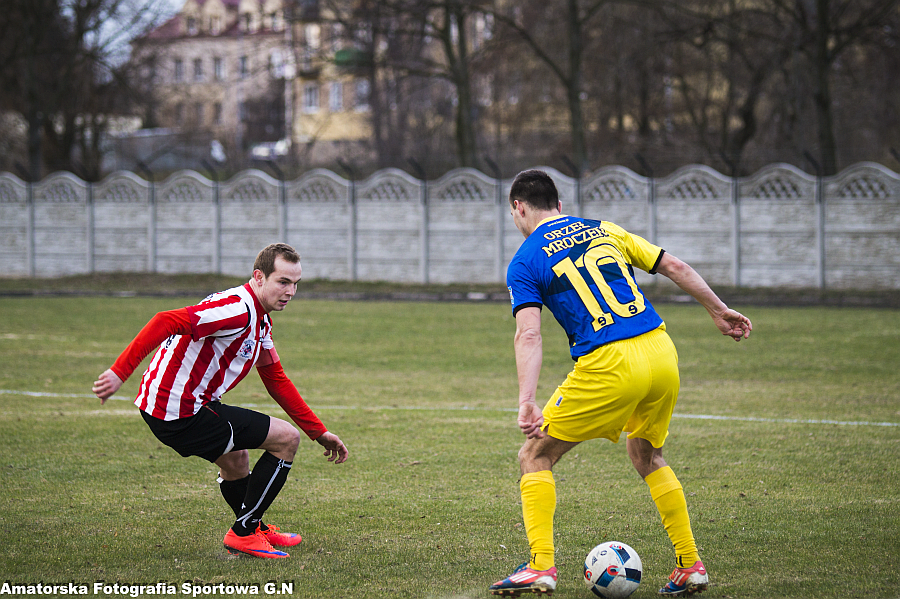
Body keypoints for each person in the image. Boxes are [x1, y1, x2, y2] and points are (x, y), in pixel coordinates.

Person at [489, 170, 752, 597]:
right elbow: (673, 265)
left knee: (534, 455)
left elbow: (529, 333)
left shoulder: (525, 259)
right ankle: (690, 564)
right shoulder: (602, 228)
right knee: (646, 452)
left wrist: (527, 399)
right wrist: (719, 311)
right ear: (558, 203)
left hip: (609, 362)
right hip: (660, 350)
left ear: (518, 207)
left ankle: (540, 566)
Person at [92, 243, 348, 559]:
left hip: (174, 407)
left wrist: (319, 432)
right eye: (283, 281)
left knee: (236, 460)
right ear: (259, 277)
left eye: (296, 283)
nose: (291, 291)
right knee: (286, 440)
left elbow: (276, 380)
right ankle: (244, 532)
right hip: (181, 410)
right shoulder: (236, 309)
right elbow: (164, 320)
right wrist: (120, 372)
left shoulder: (259, 318)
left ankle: (253, 528)